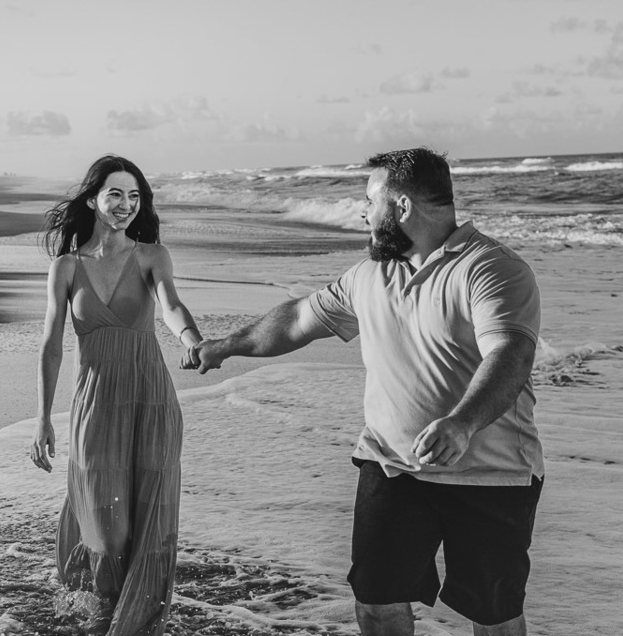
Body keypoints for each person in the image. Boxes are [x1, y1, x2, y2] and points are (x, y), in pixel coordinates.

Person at [182, 147, 544, 636]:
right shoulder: (370, 275)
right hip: (392, 465)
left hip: (490, 475)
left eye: (370, 200)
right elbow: (296, 320)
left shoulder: (491, 269)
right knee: (376, 603)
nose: (362, 212)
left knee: (493, 617)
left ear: (401, 207)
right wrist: (224, 346)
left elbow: (511, 356)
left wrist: (462, 422)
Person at [30, 154, 202, 636]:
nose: (127, 205)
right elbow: (50, 345)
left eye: (135, 196)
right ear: (93, 199)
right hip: (95, 403)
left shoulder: (151, 256)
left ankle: (134, 624)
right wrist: (42, 419)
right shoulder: (66, 267)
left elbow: (171, 305)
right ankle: (108, 611)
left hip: (151, 399)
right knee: (108, 533)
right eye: (116, 194)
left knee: (150, 521)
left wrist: (191, 339)